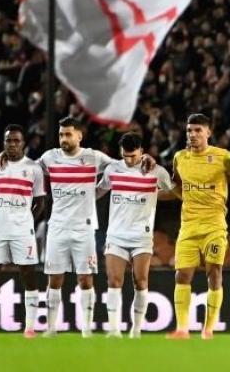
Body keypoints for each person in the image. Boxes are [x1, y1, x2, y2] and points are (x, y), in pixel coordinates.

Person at [0, 116, 155, 338]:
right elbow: (28, 167)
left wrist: (145, 157)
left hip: (84, 228)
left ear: (79, 136)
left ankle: (86, 330)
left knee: (85, 279)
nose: (64, 138)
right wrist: (6, 156)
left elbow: (123, 165)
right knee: (54, 279)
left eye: (68, 134)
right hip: (57, 227)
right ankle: (51, 329)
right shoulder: (50, 157)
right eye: (61, 134)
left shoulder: (93, 157)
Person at [168, 113, 230, 340]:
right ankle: (182, 329)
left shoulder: (224, 157)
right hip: (188, 226)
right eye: (189, 130)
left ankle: (208, 329)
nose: (192, 134)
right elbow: (176, 186)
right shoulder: (180, 158)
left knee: (214, 272)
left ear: (208, 132)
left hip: (214, 225)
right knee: (182, 275)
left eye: (198, 130)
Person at [97, 132, 175, 338]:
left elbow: (173, 191)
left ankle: (136, 329)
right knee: (114, 281)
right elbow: (99, 190)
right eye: (125, 156)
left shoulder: (156, 171)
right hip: (116, 235)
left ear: (141, 151)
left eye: (133, 156)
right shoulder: (113, 169)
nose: (129, 160)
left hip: (141, 236)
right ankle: (114, 330)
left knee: (140, 281)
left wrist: (154, 194)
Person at [0, 124, 45, 338]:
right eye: (9, 140)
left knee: (29, 276)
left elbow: (40, 202)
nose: (12, 144)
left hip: (22, 231)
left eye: (16, 140)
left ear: (23, 143)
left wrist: (27, 220)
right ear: (3, 143)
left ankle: (30, 328)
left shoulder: (34, 168)